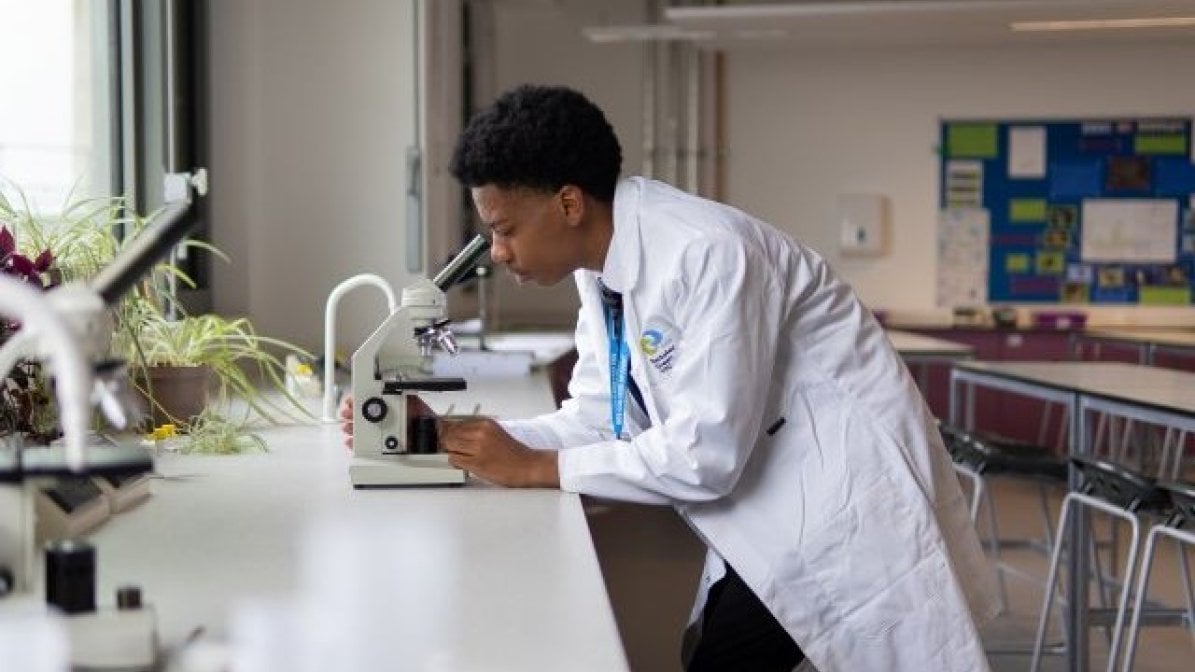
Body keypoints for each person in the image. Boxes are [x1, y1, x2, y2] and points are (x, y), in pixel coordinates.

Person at [342, 84, 998, 671]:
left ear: (567, 202)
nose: (501, 253)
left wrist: (535, 468)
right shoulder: (600, 272)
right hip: (774, 510)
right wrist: (445, 437)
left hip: (839, 514)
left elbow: (705, 454)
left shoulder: (705, 252)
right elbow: (597, 419)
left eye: (504, 230)